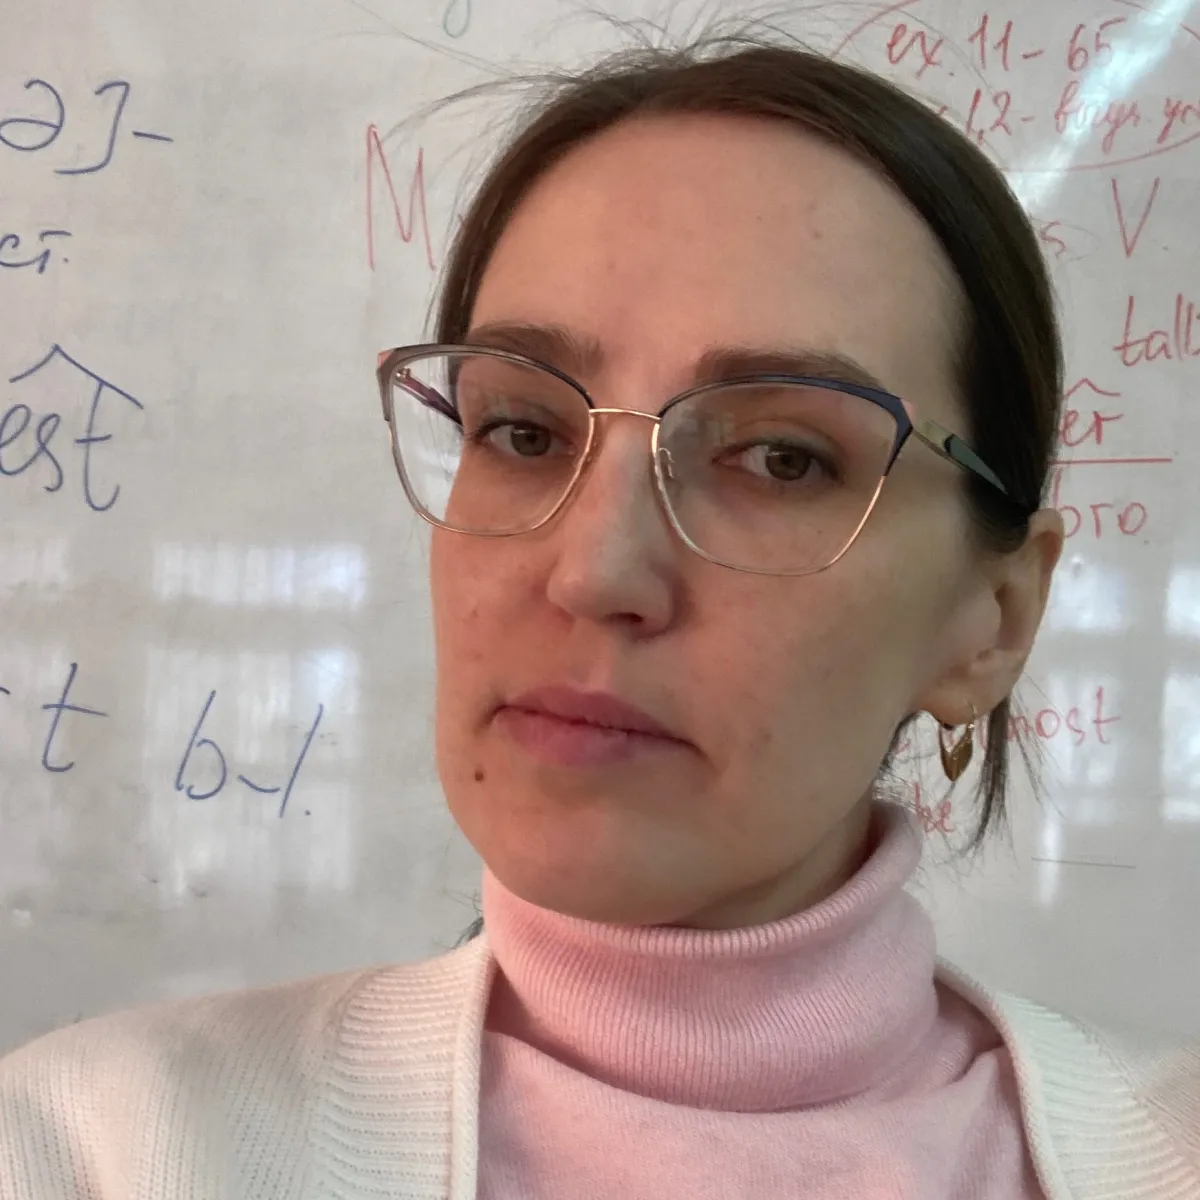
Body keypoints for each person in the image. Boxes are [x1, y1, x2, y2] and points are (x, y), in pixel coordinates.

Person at [1, 30, 1197, 1200]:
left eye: (780, 458)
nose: (591, 571)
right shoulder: (92, 1150)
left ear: (993, 619)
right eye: (522, 432)